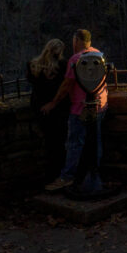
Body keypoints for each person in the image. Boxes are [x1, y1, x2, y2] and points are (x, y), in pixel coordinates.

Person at [41, 28, 110, 197]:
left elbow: (66, 86)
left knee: (74, 143)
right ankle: (94, 174)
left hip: (80, 107)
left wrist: (53, 102)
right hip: (100, 105)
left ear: (77, 41)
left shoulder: (76, 60)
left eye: (73, 41)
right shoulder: (98, 55)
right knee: (96, 140)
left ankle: (68, 176)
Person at [26, 38, 69, 181]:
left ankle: (51, 175)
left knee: (50, 142)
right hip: (58, 109)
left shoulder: (33, 66)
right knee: (59, 143)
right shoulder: (62, 66)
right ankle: (59, 175)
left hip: (39, 108)